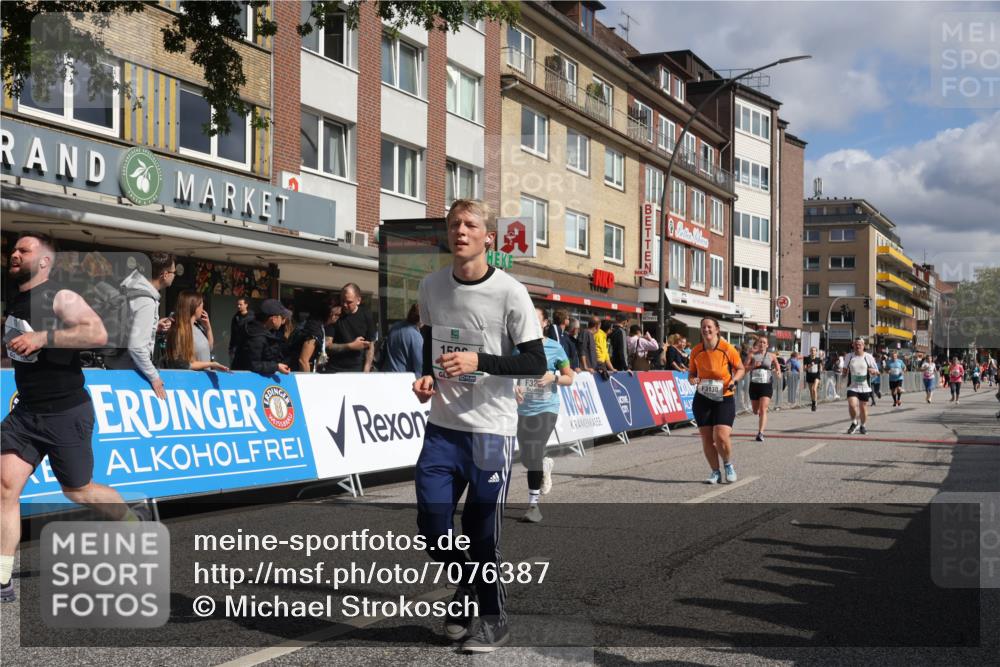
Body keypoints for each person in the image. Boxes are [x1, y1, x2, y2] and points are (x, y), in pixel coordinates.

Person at [411, 199, 545, 652]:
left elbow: (534, 361)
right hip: (443, 428)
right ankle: (468, 587)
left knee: (481, 534)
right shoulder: (431, 286)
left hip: (491, 431)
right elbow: (431, 342)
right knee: (433, 529)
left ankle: (493, 619)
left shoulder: (510, 292)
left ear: (489, 237)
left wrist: (479, 361)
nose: (460, 231)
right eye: (454, 224)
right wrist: (428, 375)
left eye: (470, 224)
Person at [1, 233, 142, 604]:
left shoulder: (59, 296)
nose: (14, 253)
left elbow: (97, 332)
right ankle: (2, 580)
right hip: (27, 412)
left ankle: (131, 524)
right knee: (5, 486)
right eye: (13, 249)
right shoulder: (18, 298)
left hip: (66, 413)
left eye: (23, 250)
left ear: (44, 261)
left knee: (77, 490)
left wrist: (45, 337)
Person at [515, 308, 574, 524]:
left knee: (535, 448)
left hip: (547, 407)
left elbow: (570, 377)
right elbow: (510, 371)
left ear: (544, 323)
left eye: (535, 319)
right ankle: (545, 466)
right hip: (524, 408)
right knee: (527, 457)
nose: (530, 322)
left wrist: (554, 377)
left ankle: (533, 506)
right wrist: (515, 386)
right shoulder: (518, 347)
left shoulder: (554, 347)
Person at [688, 317, 745, 484]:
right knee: (706, 438)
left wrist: (734, 380)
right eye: (703, 327)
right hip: (703, 397)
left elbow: (740, 368)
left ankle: (728, 464)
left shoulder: (727, 348)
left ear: (717, 329)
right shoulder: (696, 350)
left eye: (709, 327)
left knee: (720, 435)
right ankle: (715, 472)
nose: (706, 330)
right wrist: (692, 379)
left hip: (724, 396)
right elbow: (691, 373)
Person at [116, 252, 175, 399]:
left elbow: (129, 326)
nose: (175, 276)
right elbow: (137, 346)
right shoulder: (146, 300)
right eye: (174, 272)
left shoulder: (134, 290)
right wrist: (154, 377)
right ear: (165, 274)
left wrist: (153, 327)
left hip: (117, 365)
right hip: (130, 371)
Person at [162, 290, 229, 371]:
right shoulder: (180, 331)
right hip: (192, 381)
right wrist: (211, 364)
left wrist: (208, 327)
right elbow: (181, 364)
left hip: (203, 379)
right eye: (201, 305)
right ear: (194, 307)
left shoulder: (198, 327)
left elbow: (208, 348)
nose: (202, 308)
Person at [231, 299, 292, 375]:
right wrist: (276, 367)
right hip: (247, 382)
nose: (283, 321)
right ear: (274, 319)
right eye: (282, 318)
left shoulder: (261, 330)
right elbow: (253, 365)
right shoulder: (256, 336)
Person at [326, 283, 376, 373]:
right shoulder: (335, 315)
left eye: (349, 302)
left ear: (358, 300)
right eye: (342, 301)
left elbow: (370, 346)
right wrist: (350, 346)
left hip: (357, 370)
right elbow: (327, 346)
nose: (345, 305)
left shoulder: (366, 315)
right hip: (334, 369)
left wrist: (366, 370)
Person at [744, 336, 781, 442]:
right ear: (758, 343)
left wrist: (778, 372)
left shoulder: (772, 356)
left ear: (767, 345)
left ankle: (760, 433)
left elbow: (777, 366)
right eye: (760, 342)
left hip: (766, 385)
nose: (762, 344)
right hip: (754, 385)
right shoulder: (752, 355)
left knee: (763, 409)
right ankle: (759, 414)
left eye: (764, 342)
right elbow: (744, 368)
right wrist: (752, 366)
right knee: (756, 410)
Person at [842, 337, 879, 435]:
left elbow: (877, 371)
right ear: (853, 345)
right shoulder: (849, 356)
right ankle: (854, 422)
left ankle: (863, 425)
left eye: (860, 344)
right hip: (852, 386)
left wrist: (873, 371)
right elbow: (845, 370)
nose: (858, 346)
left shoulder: (868, 357)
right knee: (852, 405)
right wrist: (843, 375)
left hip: (865, 386)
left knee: (863, 408)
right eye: (856, 344)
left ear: (863, 346)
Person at [383, 303, 424, 376]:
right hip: (403, 379)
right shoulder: (416, 336)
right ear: (421, 319)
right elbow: (419, 367)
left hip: (387, 374)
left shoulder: (395, 327)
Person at [229, 297, 253, 362]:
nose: (238, 306)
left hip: (248, 347)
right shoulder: (236, 317)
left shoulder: (252, 317)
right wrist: (231, 348)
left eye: (240, 304)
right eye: (238, 305)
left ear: (246, 305)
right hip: (237, 347)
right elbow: (233, 333)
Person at [803, 346, 823, 411]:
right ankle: (813, 402)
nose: (813, 352)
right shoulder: (807, 359)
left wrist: (821, 367)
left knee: (814, 389)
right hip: (809, 375)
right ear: (810, 351)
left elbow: (821, 368)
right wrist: (809, 366)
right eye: (811, 350)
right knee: (811, 391)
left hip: (816, 375)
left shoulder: (818, 359)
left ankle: (815, 403)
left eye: (814, 350)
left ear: (816, 352)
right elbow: (804, 368)